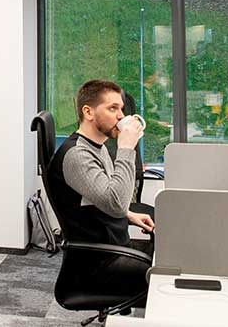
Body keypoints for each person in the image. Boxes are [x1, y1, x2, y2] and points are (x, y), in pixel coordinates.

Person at [47, 79, 154, 301]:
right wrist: (126, 147)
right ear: (88, 112)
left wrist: (128, 214)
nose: (121, 116)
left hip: (113, 248)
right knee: (169, 281)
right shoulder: (77, 155)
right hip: (98, 265)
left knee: (172, 259)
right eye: (112, 108)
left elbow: (103, 196)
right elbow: (115, 203)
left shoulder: (98, 147)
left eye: (121, 109)